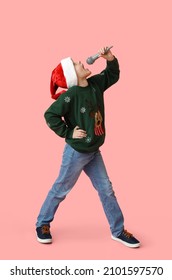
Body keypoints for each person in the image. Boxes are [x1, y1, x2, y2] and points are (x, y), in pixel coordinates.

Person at [36, 46, 140, 248]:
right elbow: (50, 115)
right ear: (72, 75)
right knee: (61, 189)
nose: (81, 62)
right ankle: (42, 223)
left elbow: (112, 75)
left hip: (93, 150)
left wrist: (110, 59)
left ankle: (118, 231)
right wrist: (68, 132)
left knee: (106, 190)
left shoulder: (95, 85)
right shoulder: (71, 95)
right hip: (76, 152)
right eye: (76, 64)